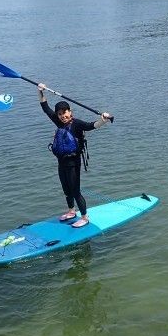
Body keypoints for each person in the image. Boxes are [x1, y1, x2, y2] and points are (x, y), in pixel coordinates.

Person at [37, 83, 112, 228]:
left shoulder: (76, 124)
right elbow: (45, 107)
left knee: (75, 190)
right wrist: (40, 91)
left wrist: (104, 119)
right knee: (66, 189)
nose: (62, 116)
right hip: (61, 162)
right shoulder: (59, 123)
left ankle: (84, 217)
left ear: (70, 112)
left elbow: (92, 125)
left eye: (65, 113)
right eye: (59, 114)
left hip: (73, 163)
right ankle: (71, 211)